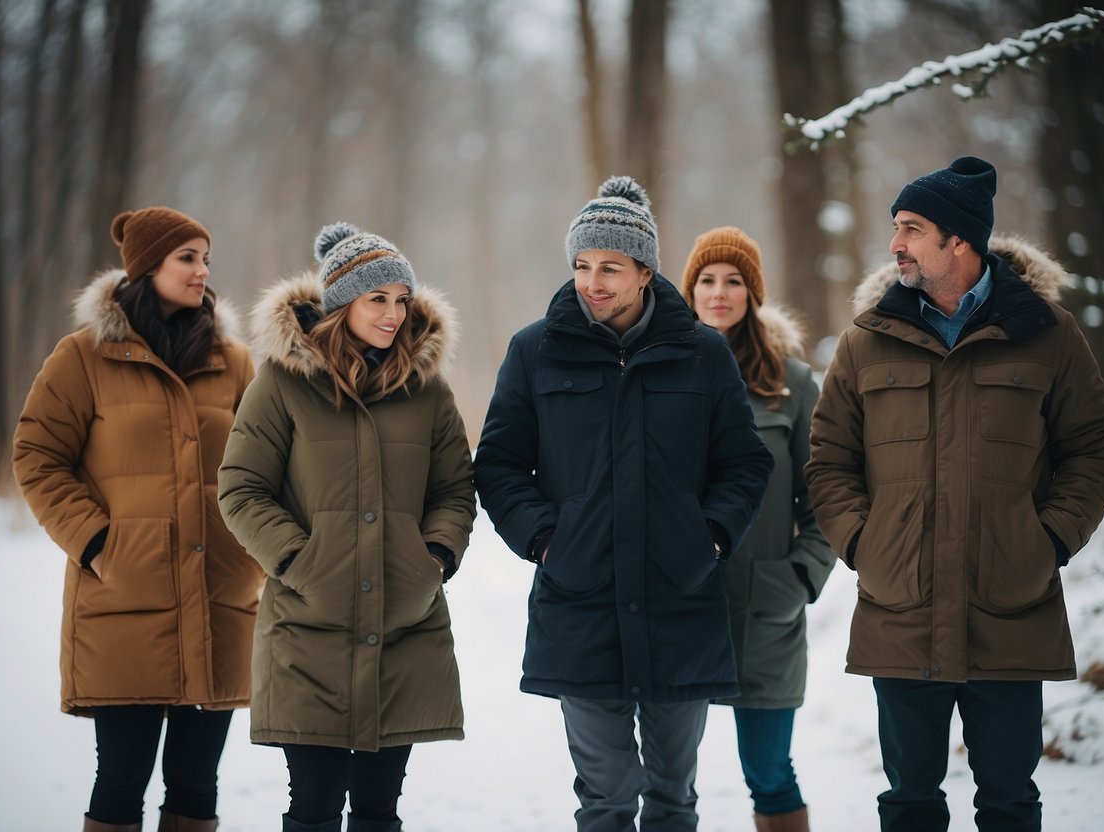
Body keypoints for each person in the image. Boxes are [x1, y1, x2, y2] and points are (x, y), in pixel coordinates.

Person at [805, 156, 1104, 832]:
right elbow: (829, 458)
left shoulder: (1045, 335)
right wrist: (864, 544)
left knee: (1009, 802)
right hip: (900, 606)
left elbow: (1093, 446)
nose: (895, 244)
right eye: (895, 228)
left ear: (959, 241)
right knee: (909, 803)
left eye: (911, 229)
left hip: (1009, 606)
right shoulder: (866, 342)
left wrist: (1049, 540)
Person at [474, 176, 775, 832]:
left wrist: (711, 537)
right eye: (581, 266)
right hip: (579, 603)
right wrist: (545, 540)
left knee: (672, 800)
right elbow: (497, 465)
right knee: (605, 799)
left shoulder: (700, 354)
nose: (592, 282)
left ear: (644, 272)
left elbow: (744, 464)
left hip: (679, 602)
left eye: (609, 267)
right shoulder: (534, 351)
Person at [217, 221, 476, 832]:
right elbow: (240, 488)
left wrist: (433, 556)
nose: (393, 314)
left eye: (401, 300)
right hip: (309, 627)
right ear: (341, 304)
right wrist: (297, 562)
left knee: (379, 812)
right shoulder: (282, 384)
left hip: (403, 625)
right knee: (312, 808)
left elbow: (454, 489)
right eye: (377, 299)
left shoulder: (427, 390)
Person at [12, 207, 263, 832]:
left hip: (218, 597)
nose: (203, 270)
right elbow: (37, 455)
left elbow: (268, 466)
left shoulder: (233, 361)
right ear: (146, 265)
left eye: (207, 259)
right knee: (120, 780)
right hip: (125, 598)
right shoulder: (84, 357)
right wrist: (95, 542)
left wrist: (251, 552)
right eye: (188, 257)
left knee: (196, 783)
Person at [680, 226, 836, 832]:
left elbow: (823, 497)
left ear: (754, 293)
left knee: (769, 769)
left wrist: (799, 578)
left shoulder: (792, 384)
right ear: (689, 290)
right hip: (678, 604)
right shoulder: (661, 374)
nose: (719, 293)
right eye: (707, 281)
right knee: (667, 776)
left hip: (764, 609)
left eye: (734, 281)